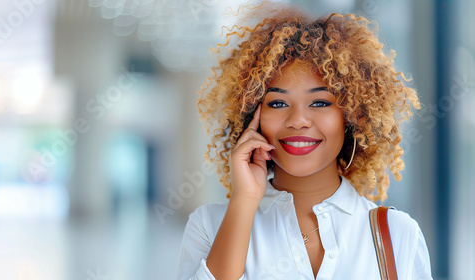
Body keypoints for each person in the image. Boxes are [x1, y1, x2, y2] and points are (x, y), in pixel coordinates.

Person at [177, 2, 433, 279]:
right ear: (253, 116)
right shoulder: (210, 226)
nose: (298, 120)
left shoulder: (398, 234)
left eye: (320, 102)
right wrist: (245, 200)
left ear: (352, 115)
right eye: (277, 104)